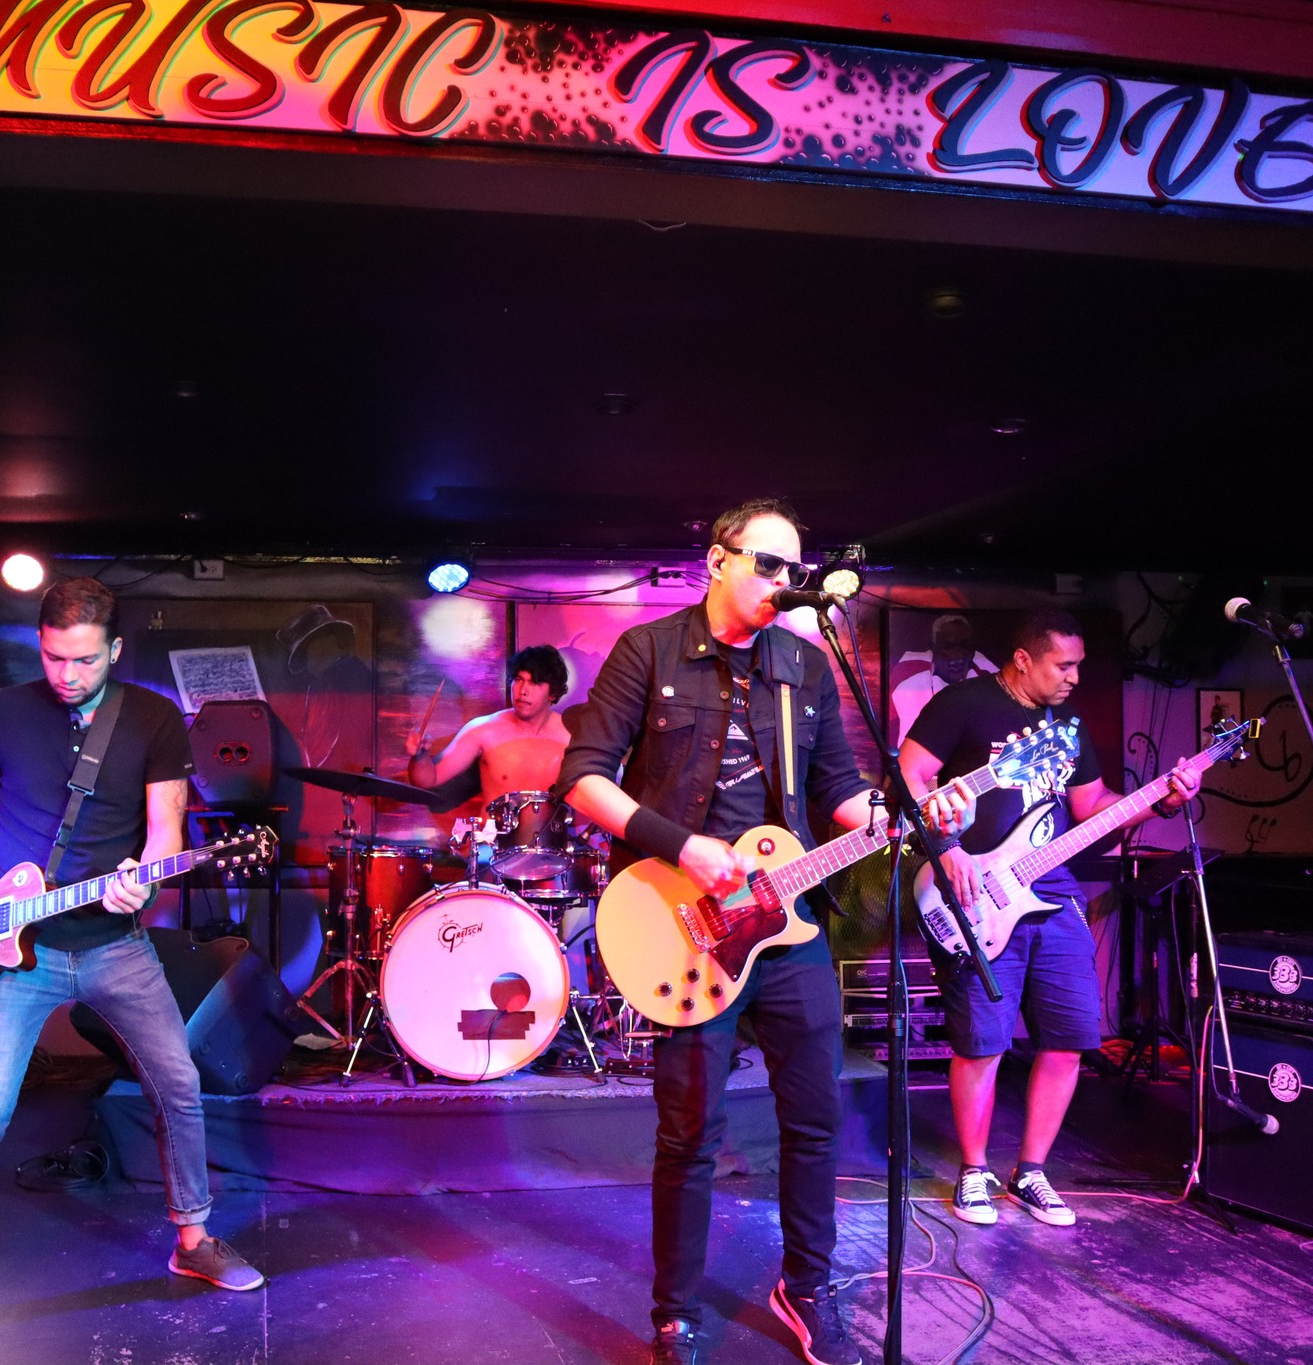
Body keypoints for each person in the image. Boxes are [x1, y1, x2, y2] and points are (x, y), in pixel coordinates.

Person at [559, 498, 971, 1365]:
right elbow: (583, 777)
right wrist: (684, 846)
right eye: (769, 563)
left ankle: (807, 1285)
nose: (785, 580)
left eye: (796, 568)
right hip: (686, 925)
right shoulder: (649, 650)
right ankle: (675, 1311)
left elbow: (842, 794)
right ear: (718, 560)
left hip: (788, 924)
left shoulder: (805, 664)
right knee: (689, 1134)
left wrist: (914, 812)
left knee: (816, 1120)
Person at [0, 578, 263, 1364]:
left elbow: (166, 832)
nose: (67, 674)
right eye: (54, 657)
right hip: (12, 949)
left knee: (180, 1085)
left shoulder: (153, 718)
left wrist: (148, 878)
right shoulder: (1, 712)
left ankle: (194, 1240)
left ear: (115, 649)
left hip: (115, 944)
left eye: (85, 659)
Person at [896, 607, 1198, 1231]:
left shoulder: (1067, 726)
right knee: (982, 1041)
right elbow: (909, 773)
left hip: (1052, 887)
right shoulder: (964, 703)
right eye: (1064, 665)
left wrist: (1160, 801)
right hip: (975, 886)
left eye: (1079, 666)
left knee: (1069, 1035)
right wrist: (946, 848)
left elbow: (1093, 806)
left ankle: (1031, 1171)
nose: (1074, 677)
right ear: (1023, 659)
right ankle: (974, 1171)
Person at [404, 644, 572, 804]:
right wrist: (419, 756)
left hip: (554, 826)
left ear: (553, 692)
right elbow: (428, 779)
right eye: (519, 680)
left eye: (534, 683)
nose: (523, 691)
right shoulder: (482, 730)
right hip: (493, 826)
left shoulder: (571, 737)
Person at [889, 613, 995, 742]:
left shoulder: (988, 681)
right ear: (933, 648)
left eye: (964, 647)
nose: (957, 656)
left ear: (973, 651)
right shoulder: (910, 687)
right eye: (948, 647)